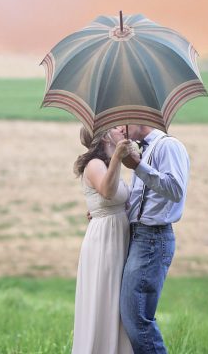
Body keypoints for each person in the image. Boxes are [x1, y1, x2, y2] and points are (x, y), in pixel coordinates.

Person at [111, 125, 190, 354]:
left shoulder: (169, 146)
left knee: (136, 318)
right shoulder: (142, 150)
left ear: (139, 117)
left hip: (153, 239)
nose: (119, 129)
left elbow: (176, 190)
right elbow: (140, 203)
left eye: (123, 122)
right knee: (131, 316)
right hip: (140, 237)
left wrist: (137, 166)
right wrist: (109, 212)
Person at [72, 126, 135, 354]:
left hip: (118, 234)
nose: (121, 129)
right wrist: (118, 156)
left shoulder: (108, 164)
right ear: (105, 136)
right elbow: (107, 191)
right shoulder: (95, 165)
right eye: (115, 128)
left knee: (118, 301)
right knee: (104, 298)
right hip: (104, 240)